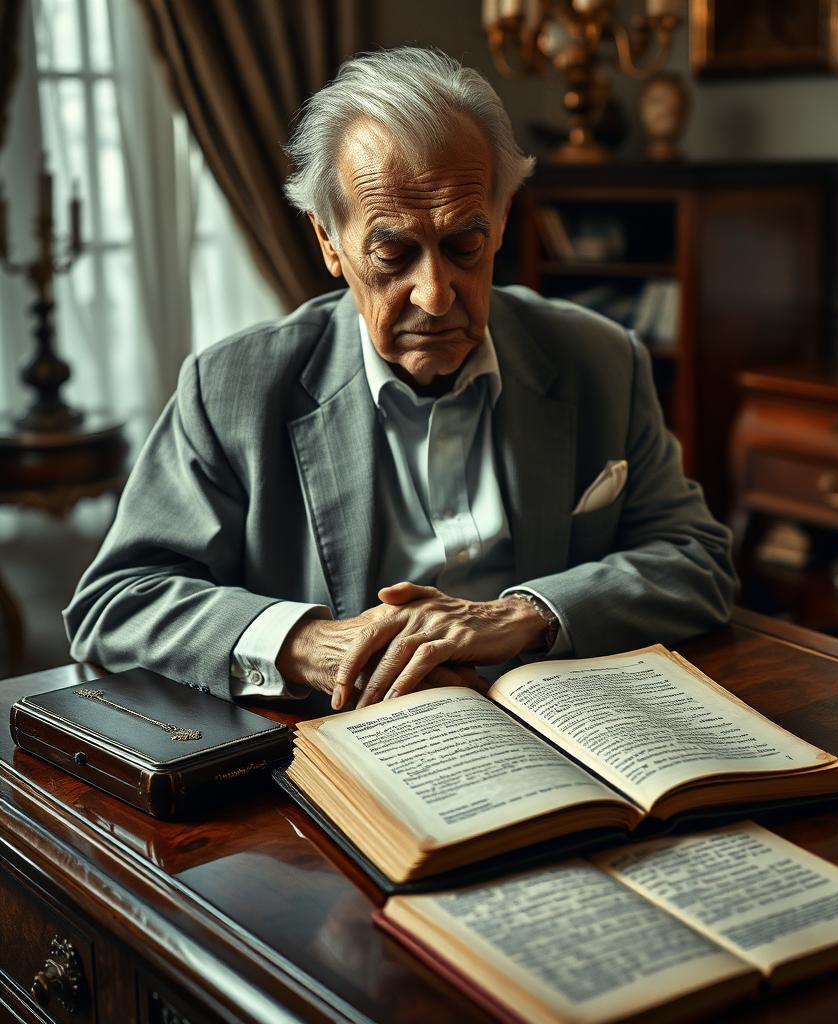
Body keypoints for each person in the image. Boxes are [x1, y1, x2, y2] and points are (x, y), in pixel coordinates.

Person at [63, 47, 736, 712]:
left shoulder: (601, 358)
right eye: (393, 252)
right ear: (329, 240)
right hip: (340, 747)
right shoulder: (231, 387)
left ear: (501, 222)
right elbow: (116, 603)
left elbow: (695, 558)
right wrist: (309, 644)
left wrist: (527, 614)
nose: (436, 295)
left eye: (464, 246)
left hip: (564, 722)